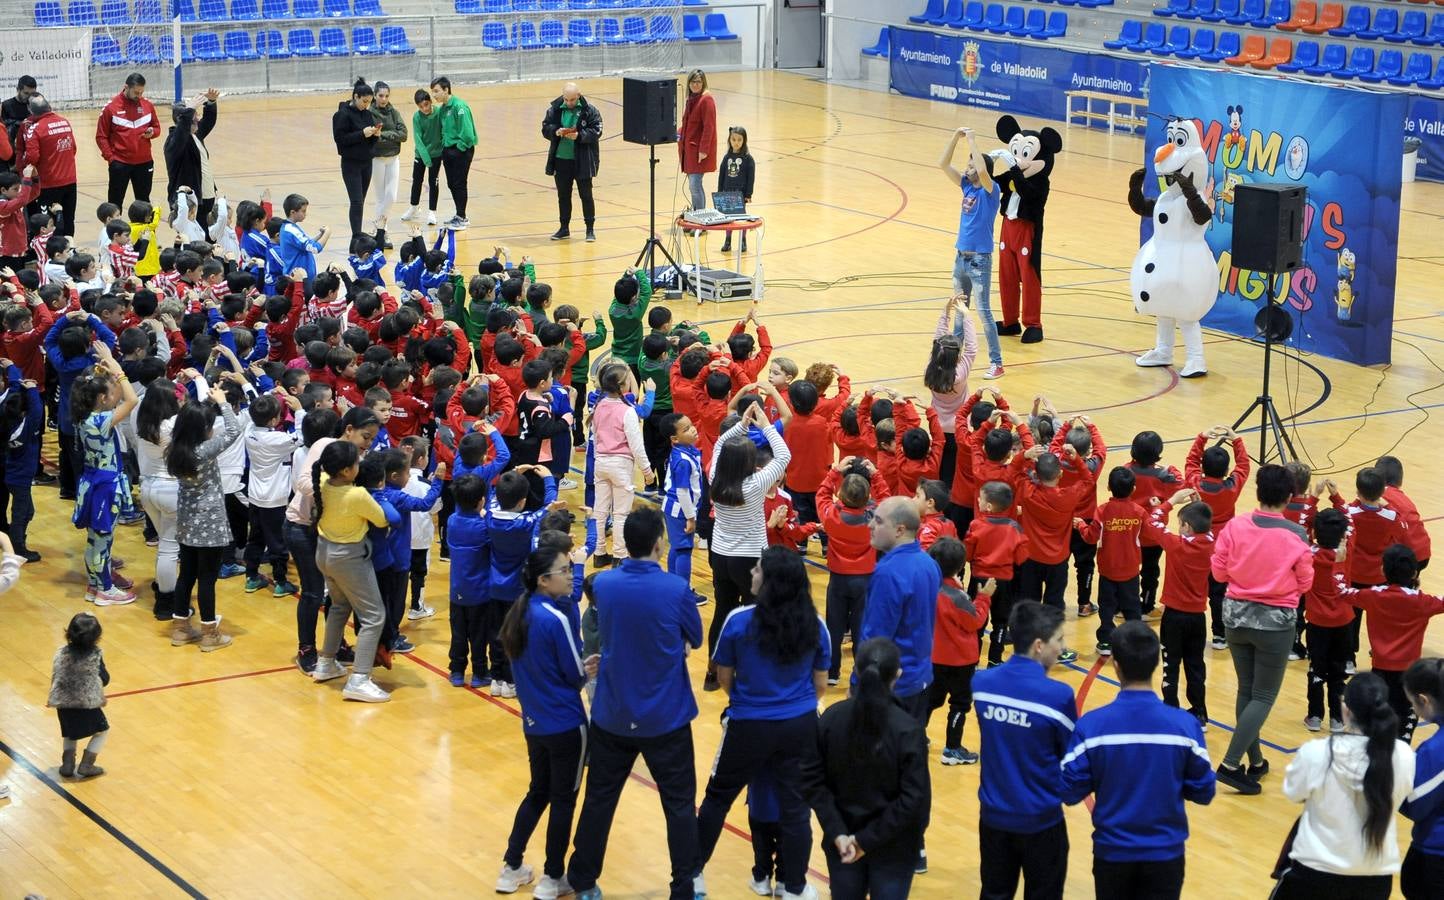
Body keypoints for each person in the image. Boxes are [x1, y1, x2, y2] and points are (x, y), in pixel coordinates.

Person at [565, 508, 704, 900]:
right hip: (666, 715)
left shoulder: (605, 585)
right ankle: (684, 887)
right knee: (679, 806)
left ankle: (583, 880)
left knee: (599, 800)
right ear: (660, 544)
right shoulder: (676, 589)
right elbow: (693, 637)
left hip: (613, 711)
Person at [694, 547, 830, 900]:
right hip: (800, 726)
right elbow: (819, 685)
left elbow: (723, 675)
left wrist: (749, 700)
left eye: (757, 570)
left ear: (771, 582)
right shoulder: (815, 624)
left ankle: (690, 874)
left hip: (749, 723)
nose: (752, 574)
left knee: (717, 799)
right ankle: (794, 887)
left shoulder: (738, 620)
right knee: (797, 809)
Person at [1060, 621, 1216, 900]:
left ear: (1116, 666)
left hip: (1113, 853)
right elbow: (1204, 791)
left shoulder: (1092, 727)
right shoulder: (1185, 727)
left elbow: (1070, 790)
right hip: (1166, 854)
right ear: (1157, 663)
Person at [495, 546, 597, 899]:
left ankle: (511, 867)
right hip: (567, 725)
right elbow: (572, 674)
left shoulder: (518, 614)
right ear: (543, 580)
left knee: (537, 792)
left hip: (534, 724)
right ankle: (553, 877)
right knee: (564, 800)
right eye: (564, 570)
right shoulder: (555, 619)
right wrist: (587, 670)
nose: (570, 575)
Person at [1210, 463, 1314, 795]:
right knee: (1264, 695)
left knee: (1247, 691)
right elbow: (1306, 581)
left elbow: (1219, 573)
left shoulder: (1235, 526)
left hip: (1236, 616)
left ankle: (1254, 762)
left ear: (1257, 491)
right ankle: (1229, 764)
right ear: (1288, 497)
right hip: (1275, 622)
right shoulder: (1296, 535)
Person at [799, 637, 929, 900]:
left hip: (842, 842)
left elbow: (812, 781)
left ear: (856, 671)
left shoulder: (831, 719)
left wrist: (838, 834)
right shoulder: (908, 729)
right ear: (898, 675)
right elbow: (915, 800)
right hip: (893, 847)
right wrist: (866, 841)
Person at [1274, 672, 1415, 898]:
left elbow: (1293, 792)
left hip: (1315, 870)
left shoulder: (1317, 752)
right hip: (1375, 877)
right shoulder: (1404, 755)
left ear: (1346, 710)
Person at [972, 600, 1076, 900]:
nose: (1063, 647)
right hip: (1041, 820)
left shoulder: (981, 684)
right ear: (1039, 646)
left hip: (993, 818)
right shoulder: (1058, 696)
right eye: (1059, 639)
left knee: (994, 893)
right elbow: (1070, 755)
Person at [705, 404, 791, 691]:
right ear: (748, 463)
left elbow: (718, 444)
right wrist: (765, 425)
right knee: (754, 612)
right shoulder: (755, 484)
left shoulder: (715, 478)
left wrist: (740, 426)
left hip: (719, 554)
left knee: (723, 611)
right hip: (749, 557)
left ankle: (712, 672)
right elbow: (784, 455)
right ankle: (749, 670)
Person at [311, 439, 400, 702]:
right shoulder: (357, 494)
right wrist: (381, 493)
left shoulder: (324, 482)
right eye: (356, 462)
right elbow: (383, 519)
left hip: (324, 552)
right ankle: (360, 678)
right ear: (348, 471)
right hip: (348, 557)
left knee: (339, 606)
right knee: (374, 616)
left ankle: (326, 662)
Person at [166, 387, 243, 651]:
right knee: (207, 578)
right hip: (210, 523)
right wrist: (223, 402)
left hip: (187, 521)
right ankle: (209, 633)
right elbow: (234, 432)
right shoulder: (203, 451)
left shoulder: (175, 450)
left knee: (186, 574)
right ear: (203, 429)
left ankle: (180, 629)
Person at [70, 346, 138, 606]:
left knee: (97, 538)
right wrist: (119, 372)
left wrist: (112, 368)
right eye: (110, 393)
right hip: (104, 485)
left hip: (94, 480)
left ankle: (96, 583)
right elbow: (132, 401)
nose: (115, 395)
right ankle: (105, 590)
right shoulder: (100, 421)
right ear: (101, 398)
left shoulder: (88, 415)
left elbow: (119, 396)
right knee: (102, 539)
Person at [939, 125, 1003, 379]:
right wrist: (955, 138)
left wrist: (974, 142)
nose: (968, 167)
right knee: (959, 310)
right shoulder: (966, 186)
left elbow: (984, 170)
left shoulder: (991, 190)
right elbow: (943, 164)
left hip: (979, 261)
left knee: (984, 312)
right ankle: (953, 361)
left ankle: (997, 363)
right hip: (960, 258)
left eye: (972, 164)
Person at [926, 537, 989, 765]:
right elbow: (976, 621)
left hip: (934, 657)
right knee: (960, 703)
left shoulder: (927, 588)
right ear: (961, 566)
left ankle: (916, 736)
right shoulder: (957, 597)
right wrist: (984, 598)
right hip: (961, 660)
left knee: (930, 700)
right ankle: (952, 749)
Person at [46, 613, 111, 779]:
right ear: (97, 637)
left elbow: (56, 675)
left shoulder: (61, 652)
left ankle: (67, 765)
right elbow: (104, 679)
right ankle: (86, 765)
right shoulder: (95, 655)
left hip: (63, 702)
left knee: (69, 732)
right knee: (102, 731)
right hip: (86, 703)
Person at [1401, 658, 1444, 898]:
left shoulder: (1436, 751)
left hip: (1436, 854)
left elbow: (1416, 804)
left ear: (1424, 700)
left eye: (1412, 704)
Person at [542, 82, 602, 243]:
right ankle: (564, 228)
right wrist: (555, 131)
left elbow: (597, 130)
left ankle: (590, 229)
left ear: (579, 95)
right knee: (563, 196)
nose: (569, 103)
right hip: (561, 160)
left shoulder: (590, 110)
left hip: (582, 160)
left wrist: (580, 136)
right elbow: (545, 127)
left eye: (572, 100)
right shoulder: (554, 109)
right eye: (566, 99)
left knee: (586, 195)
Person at [96, 73, 160, 207]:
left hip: (144, 163)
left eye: (141, 92)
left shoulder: (147, 105)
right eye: (136, 92)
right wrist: (111, 159)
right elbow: (101, 136)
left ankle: (145, 228)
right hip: (120, 163)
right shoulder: (110, 108)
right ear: (126, 87)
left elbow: (157, 128)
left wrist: (152, 132)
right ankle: (113, 228)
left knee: (144, 203)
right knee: (115, 203)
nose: (139, 95)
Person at [17, 94, 77, 236]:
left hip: (47, 184)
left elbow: (32, 157)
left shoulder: (35, 128)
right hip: (70, 181)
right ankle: (69, 250)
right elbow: (73, 148)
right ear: (49, 107)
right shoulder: (64, 122)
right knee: (68, 219)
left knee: (47, 222)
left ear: (30, 111)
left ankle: (47, 253)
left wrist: (22, 163)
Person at [162, 90, 220, 233]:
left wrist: (211, 103)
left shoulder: (195, 134)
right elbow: (181, 132)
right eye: (195, 116)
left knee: (207, 238)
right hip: (190, 202)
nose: (198, 120)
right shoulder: (174, 142)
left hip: (206, 198)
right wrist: (189, 110)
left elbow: (208, 122)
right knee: (192, 242)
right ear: (184, 119)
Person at [333, 79, 380, 250]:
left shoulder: (367, 114)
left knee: (361, 200)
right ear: (355, 97)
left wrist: (375, 135)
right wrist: (362, 133)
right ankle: (355, 238)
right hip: (351, 164)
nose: (366, 105)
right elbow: (340, 140)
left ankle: (358, 235)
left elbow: (370, 142)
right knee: (357, 201)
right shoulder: (342, 115)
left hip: (366, 163)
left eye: (369, 102)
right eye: (364, 101)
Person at [430, 77, 477, 230]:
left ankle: (462, 217)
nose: (434, 95)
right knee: (452, 184)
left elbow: (468, 134)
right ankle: (459, 214)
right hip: (448, 150)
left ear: (446, 90)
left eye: (436, 91)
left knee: (459, 183)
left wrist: (460, 148)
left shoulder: (459, 106)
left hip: (461, 150)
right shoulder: (443, 109)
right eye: (433, 92)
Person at [368, 81, 406, 251]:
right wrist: (391, 136)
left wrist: (383, 134)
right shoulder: (370, 113)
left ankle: (377, 226)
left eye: (386, 96)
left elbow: (403, 134)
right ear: (375, 96)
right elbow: (371, 136)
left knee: (391, 197)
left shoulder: (394, 112)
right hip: (377, 159)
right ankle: (384, 232)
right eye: (381, 95)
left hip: (393, 158)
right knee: (380, 197)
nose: (384, 99)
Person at [678, 69, 717, 213]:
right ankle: (696, 214)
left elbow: (709, 127)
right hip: (689, 151)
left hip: (698, 152)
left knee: (695, 185)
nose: (695, 84)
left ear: (703, 83)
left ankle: (700, 217)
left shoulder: (706, 100)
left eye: (698, 82)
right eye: (693, 82)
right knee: (693, 186)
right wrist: (677, 134)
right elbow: (688, 124)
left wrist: (704, 150)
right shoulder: (691, 99)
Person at [401, 89, 441, 226]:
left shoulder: (439, 113)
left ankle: (432, 212)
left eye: (426, 104)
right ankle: (413, 207)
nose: (424, 108)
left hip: (436, 154)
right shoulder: (417, 117)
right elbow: (418, 140)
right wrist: (426, 159)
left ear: (430, 101)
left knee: (433, 182)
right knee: (416, 180)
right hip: (421, 155)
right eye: (421, 106)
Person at [1, 76, 36, 154]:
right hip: (13, 144)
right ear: (18, 90)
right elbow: (2, 126)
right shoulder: (7, 105)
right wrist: (19, 123)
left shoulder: (35, 105)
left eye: (32, 94)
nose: (29, 96)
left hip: (32, 144)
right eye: (26, 93)